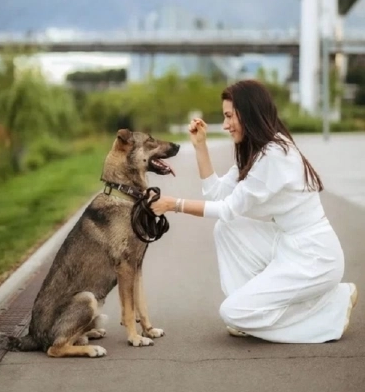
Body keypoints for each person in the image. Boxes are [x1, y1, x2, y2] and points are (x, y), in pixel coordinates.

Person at [149, 79, 358, 343]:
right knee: (227, 229)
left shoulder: (275, 155)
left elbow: (228, 208)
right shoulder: (258, 150)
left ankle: (330, 310)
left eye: (228, 116)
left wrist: (173, 205)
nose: (224, 125)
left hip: (315, 257)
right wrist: (200, 146)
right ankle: (251, 316)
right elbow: (217, 194)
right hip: (289, 244)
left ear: (247, 112)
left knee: (231, 312)